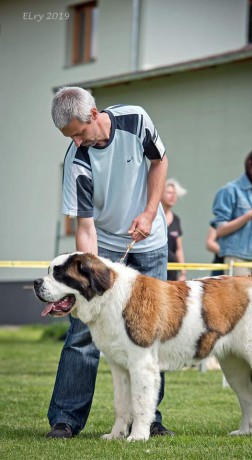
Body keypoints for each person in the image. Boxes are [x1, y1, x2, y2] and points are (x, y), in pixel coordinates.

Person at [47, 86, 174, 438]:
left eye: (78, 131)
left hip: (150, 241)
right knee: (83, 333)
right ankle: (66, 419)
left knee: (149, 336)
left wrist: (149, 213)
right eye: (69, 136)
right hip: (104, 252)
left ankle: (149, 419)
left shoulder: (136, 119)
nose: (76, 140)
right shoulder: (76, 161)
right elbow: (85, 229)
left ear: (93, 114)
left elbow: (160, 161)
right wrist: (90, 278)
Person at [210, 146, 252, 284]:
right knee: (238, 302)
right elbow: (220, 230)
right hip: (238, 255)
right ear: (250, 164)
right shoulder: (229, 190)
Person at [161, 178, 187, 281]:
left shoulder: (176, 220)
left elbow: (179, 249)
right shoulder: (154, 218)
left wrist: (183, 272)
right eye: (169, 193)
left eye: (175, 194)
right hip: (155, 267)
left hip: (172, 272)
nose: (173, 196)